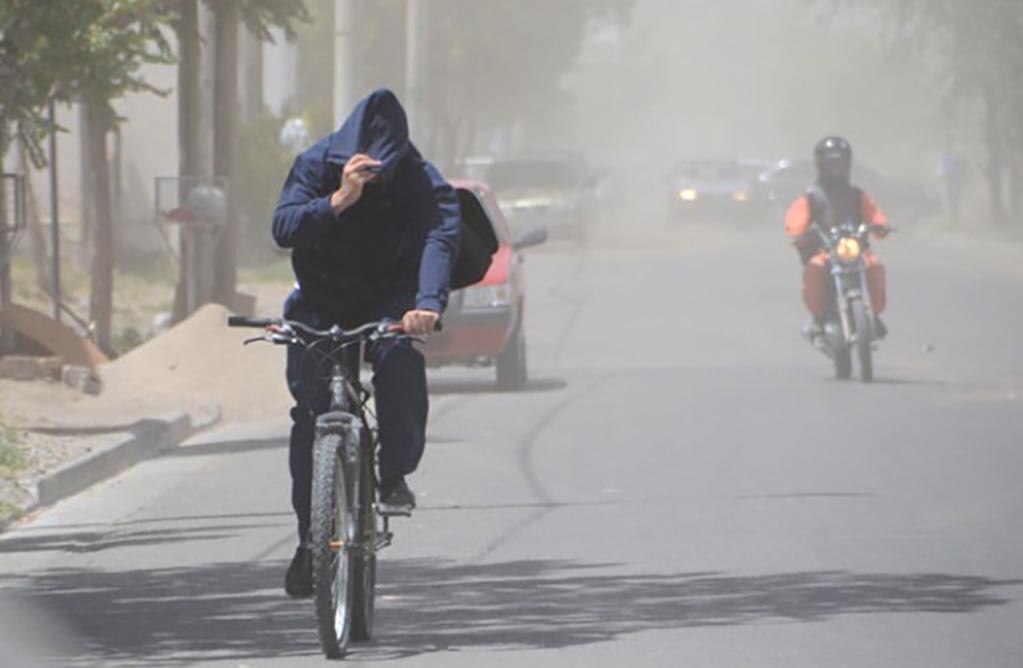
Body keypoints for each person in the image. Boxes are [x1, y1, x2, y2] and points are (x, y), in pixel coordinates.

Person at [271, 89, 461, 598]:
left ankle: (394, 470)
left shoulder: (419, 178)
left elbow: (440, 237)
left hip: (389, 297)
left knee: (399, 360)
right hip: (322, 295)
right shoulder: (316, 163)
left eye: (383, 173)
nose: (375, 181)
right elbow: (282, 227)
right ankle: (310, 541)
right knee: (310, 413)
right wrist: (337, 200)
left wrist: (427, 304)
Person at [784, 136, 890, 338]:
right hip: (825, 250)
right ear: (821, 165)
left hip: (856, 250)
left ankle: (873, 315)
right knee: (815, 269)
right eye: (831, 164)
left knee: (874, 267)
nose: (836, 168)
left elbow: (874, 214)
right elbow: (796, 218)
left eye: (839, 163)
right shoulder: (811, 196)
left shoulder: (857, 195)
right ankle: (818, 318)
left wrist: (880, 225)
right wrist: (798, 233)